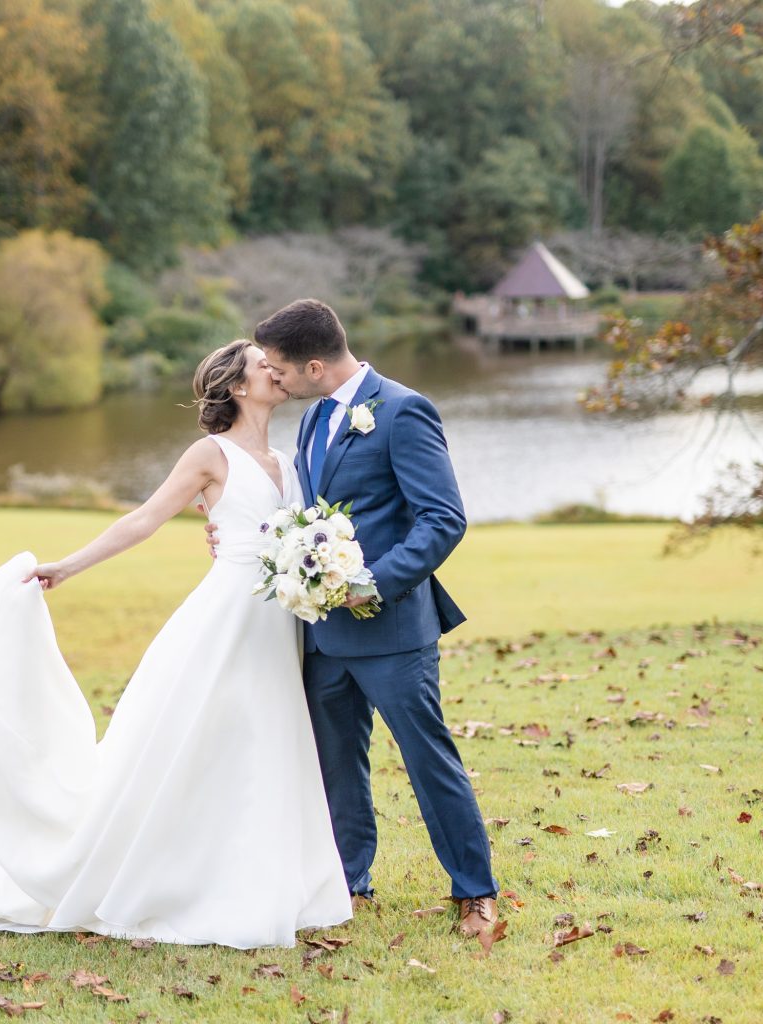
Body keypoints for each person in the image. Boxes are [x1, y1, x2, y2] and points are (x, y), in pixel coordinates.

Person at [0, 339, 351, 949]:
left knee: (264, 739)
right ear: (237, 385)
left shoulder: (287, 459)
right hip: (224, 619)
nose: (278, 373)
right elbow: (144, 519)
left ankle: (258, 878)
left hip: (277, 620)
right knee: (196, 740)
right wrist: (67, 567)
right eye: (265, 366)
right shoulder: (209, 454)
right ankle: (169, 879)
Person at [208, 298, 498, 937]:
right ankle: (349, 884)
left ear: (314, 365)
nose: (273, 380)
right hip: (321, 635)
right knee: (337, 765)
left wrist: (374, 583)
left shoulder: (403, 411)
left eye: (280, 370)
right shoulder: (311, 421)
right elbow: (305, 515)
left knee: (428, 759)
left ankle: (475, 892)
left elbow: (442, 519)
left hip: (391, 630)